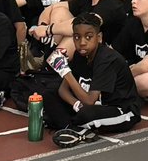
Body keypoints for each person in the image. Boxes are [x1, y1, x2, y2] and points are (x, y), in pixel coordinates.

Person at [42, 12, 141, 145]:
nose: (82, 43)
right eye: (77, 37)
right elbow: (62, 90)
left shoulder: (107, 59)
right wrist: (76, 104)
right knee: (49, 93)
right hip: (92, 105)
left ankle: (69, 126)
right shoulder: (79, 54)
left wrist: (65, 71)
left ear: (99, 37)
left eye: (88, 37)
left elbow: (89, 100)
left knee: (85, 114)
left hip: (121, 111)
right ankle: (75, 129)